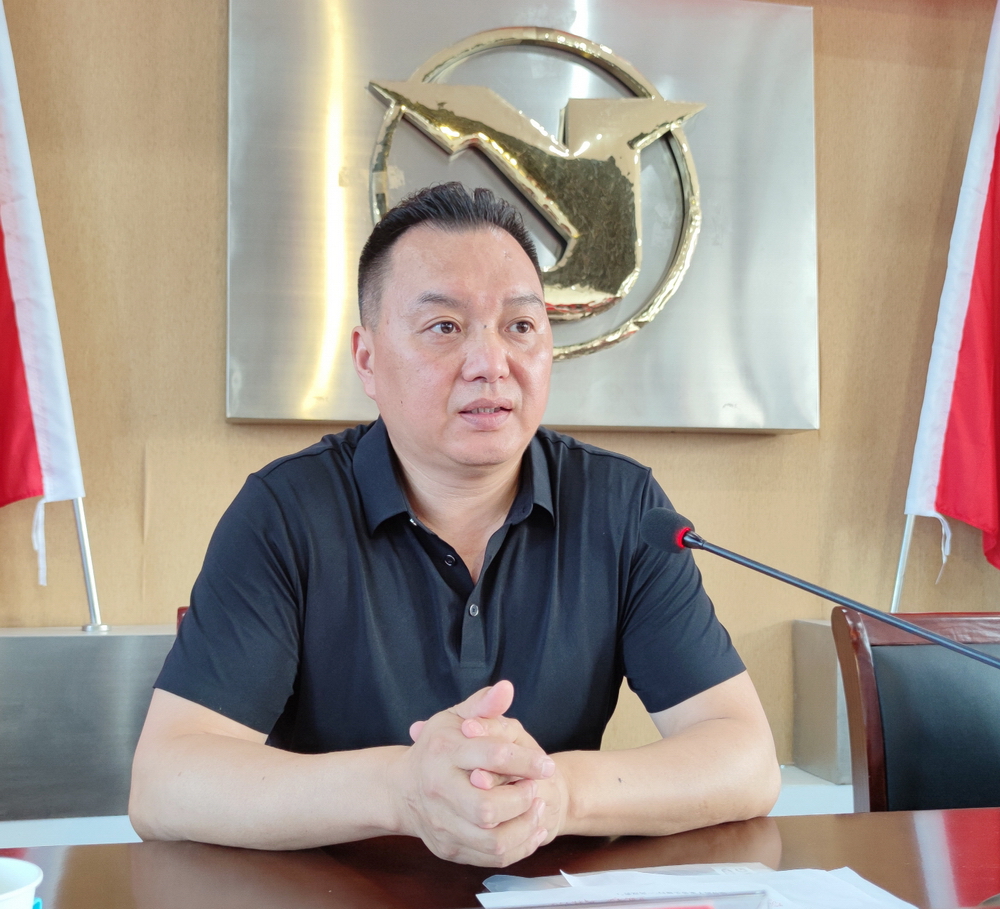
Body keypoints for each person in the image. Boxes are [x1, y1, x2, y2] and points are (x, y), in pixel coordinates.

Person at [129, 183, 780, 867]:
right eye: (444, 327)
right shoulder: (285, 512)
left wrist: (557, 794)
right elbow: (165, 782)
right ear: (368, 359)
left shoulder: (624, 508)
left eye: (520, 326)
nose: (490, 364)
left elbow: (744, 758)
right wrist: (402, 789)